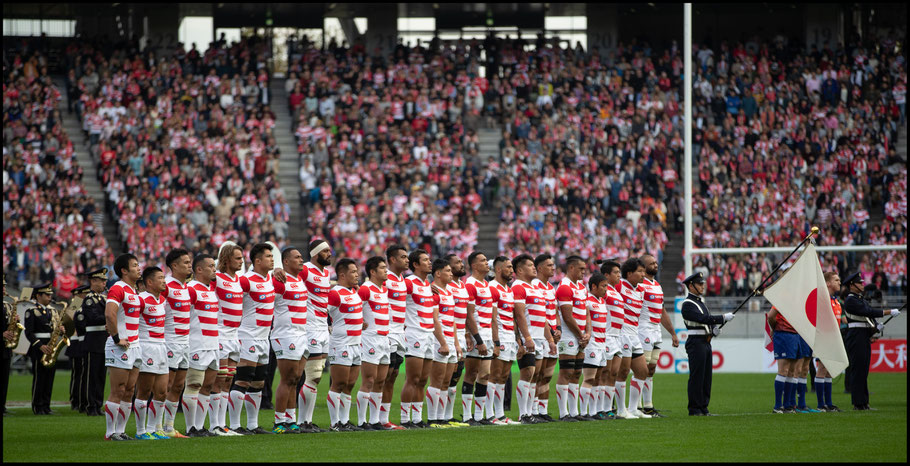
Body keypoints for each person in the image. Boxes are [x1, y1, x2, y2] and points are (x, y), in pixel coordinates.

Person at [231, 243, 278, 435]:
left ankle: (252, 425)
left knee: (259, 383)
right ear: (257, 261)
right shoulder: (245, 280)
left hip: (263, 338)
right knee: (243, 380)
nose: (272, 259)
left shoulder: (270, 279)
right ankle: (234, 425)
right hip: (248, 336)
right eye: (268, 256)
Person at [841, 272, 901, 410]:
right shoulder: (851, 300)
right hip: (856, 336)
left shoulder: (859, 298)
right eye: (860, 283)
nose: (863, 285)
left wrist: (874, 329)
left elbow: (866, 316)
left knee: (863, 370)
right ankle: (858, 403)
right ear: (852, 285)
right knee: (857, 370)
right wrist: (888, 311)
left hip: (862, 334)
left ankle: (864, 402)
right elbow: (867, 311)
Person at [680, 272, 734, 416]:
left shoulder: (700, 302)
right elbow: (703, 318)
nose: (703, 286)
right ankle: (694, 408)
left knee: (706, 377)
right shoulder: (687, 304)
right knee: (697, 376)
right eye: (699, 284)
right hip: (695, 342)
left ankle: (703, 407)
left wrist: (712, 331)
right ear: (691, 286)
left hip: (704, 341)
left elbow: (705, 321)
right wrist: (722, 318)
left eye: (703, 283)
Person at [102, 253, 143, 440]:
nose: (139, 267)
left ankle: (121, 431)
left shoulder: (133, 291)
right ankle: (110, 433)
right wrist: (117, 337)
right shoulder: (118, 288)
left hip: (135, 345)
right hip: (120, 346)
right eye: (134, 265)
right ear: (124, 270)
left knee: (129, 390)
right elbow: (109, 314)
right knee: (118, 389)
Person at [357, 256, 401, 430]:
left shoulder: (384, 290)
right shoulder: (366, 289)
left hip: (385, 339)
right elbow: (352, 306)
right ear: (373, 272)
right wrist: (359, 321)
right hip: (370, 339)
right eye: (383, 268)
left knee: (381, 381)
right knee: (368, 380)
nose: (386, 271)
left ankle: (375, 421)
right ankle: (362, 421)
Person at [295, 239, 333, 432]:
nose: (329, 253)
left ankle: (307, 421)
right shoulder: (306, 269)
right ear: (316, 254)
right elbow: (288, 277)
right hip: (309, 327)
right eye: (326, 251)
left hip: (322, 327)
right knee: (313, 375)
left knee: (316, 378)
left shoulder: (326, 273)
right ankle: (302, 421)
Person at [270, 247, 309, 434]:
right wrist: (274, 270)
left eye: (301, 256)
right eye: (297, 257)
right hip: (285, 335)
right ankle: (278, 422)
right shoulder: (279, 281)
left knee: (296, 379)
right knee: (287, 378)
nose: (301, 260)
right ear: (285, 262)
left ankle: (291, 420)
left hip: (301, 335)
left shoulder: (300, 280)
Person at [510, 254, 551, 424]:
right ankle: (523, 414)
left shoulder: (535, 287)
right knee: (527, 373)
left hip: (539, 337)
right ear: (519, 270)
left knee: (535, 376)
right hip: (529, 337)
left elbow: (543, 317)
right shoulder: (518, 287)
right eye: (530, 265)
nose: (534, 268)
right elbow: (518, 314)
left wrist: (550, 339)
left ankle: (531, 412)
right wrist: (525, 338)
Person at [185, 254, 222, 436]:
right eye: (211, 266)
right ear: (199, 269)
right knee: (194, 384)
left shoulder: (211, 290)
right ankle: (190, 427)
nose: (214, 269)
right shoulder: (191, 289)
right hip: (197, 344)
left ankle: (200, 427)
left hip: (213, 344)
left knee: (208, 386)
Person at [399, 249, 437, 429]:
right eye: (425, 260)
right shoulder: (409, 283)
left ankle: (417, 418)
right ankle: (405, 418)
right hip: (414, 333)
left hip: (429, 335)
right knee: (412, 378)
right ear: (415, 265)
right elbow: (392, 297)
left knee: (423, 380)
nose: (430, 263)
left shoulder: (427, 284)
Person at [134, 267, 173, 439]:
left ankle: (153, 428)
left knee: (162, 391)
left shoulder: (162, 299)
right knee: (144, 391)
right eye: (160, 278)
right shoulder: (141, 299)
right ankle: (141, 431)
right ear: (149, 282)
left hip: (162, 347)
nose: (164, 281)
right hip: (147, 347)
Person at [637, 254, 679, 417]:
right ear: (643, 266)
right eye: (652, 263)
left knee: (652, 368)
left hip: (656, 330)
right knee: (642, 368)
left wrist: (673, 333)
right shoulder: (641, 285)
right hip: (644, 329)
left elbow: (662, 312)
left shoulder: (657, 285)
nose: (655, 265)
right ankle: (638, 406)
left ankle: (648, 405)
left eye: (656, 262)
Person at [326, 258, 364, 432]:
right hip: (341, 344)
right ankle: (335, 423)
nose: (357, 275)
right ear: (342, 274)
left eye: (357, 271)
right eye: (353, 272)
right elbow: (323, 312)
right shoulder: (335, 293)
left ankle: (345, 420)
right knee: (338, 383)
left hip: (357, 343)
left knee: (349, 385)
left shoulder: (354, 292)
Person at [462, 252, 499, 426]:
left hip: (487, 335)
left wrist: (493, 340)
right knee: (471, 374)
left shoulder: (487, 285)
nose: (487, 263)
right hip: (477, 336)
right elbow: (468, 315)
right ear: (475, 266)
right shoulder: (470, 284)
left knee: (485, 374)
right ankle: (467, 416)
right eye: (483, 261)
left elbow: (492, 317)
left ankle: (479, 416)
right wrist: (477, 339)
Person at [426, 259, 464, 428]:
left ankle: (442, 419)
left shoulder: (448, 292)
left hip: (450, 339)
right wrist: (443, 342)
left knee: (447, 381)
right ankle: (432, 419)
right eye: (448, 271)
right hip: (438, 340)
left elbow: (453, 321)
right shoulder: (433, 292)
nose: (451, 273)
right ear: (438, 273)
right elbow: (434, 319)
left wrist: (456, 344)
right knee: (437, 380)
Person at [614, 258, 653, 419]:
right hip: (622, 334)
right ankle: (621, 410)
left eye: (644, 271)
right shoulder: (619, 285)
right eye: (640, 271)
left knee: (642, 371)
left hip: (634, 334)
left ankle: (633, 408)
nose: (644, 274)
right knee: (622, 372)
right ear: (629, 273)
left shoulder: (641, 290)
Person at [213, 242, 246, 435]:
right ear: (226, 260)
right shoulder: (216, 278)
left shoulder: (239, 280)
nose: (241, 261)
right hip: (220, 333)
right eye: (238, 258)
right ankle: (215, 425)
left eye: (242, 258)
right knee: (219, 380)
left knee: (228, 381)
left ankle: (222, 424)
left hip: (235, 335)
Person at [161, 249, 193, 438]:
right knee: (165, 386)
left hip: (185, 342)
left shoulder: (185, 287)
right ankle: (155, 426)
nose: (189, 265)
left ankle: (169, 426)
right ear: (174, 266)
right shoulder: (166, 286)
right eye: (185, 263)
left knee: (179, 386)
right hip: (170, 342)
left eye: (190, 262)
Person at [554, 256, 589, 422]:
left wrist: (587, 333)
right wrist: (581, 335)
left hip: (580, 335)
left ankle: (574, 412)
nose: (584, 272)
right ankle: (563, 413)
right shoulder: (564, 287)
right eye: (581, 269)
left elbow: (586, 312)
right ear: (572, 268)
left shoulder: (582, 287)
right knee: (566, 372)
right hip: (569, 335)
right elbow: (567, 317)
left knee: (576, 372)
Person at [379, 245, 409, 429]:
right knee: (383, 376)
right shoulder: (385, 279)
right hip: (387, 332)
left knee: (394, 375)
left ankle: (384, 419)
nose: (407, 260)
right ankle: (374, 419)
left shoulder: (403, 280)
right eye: (403, 257)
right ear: (392, 260)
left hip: (400, 333)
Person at [488, 256, 520, 425]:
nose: (511, 271)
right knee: (494, 375)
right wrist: (496, 342)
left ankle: (500, 414)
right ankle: (489, 414)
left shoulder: (508, 290)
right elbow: (492, 318)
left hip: (510, 337)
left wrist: (517, 339)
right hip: (499, 336)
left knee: (504, 376)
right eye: (508, 267)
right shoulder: (492, 287)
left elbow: (512, 317)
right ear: (499, 269)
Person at [768, 304, 814, 413]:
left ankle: (787, 404)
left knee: (791, 371)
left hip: (796, 335)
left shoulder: (796, 299)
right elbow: (771, 316)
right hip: (784, 334)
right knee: (783, 370)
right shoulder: (782, 298)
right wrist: (776, 327)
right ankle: (778, 406)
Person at [24, 283, 62, 415]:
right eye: (46, 294)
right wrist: (40, 345)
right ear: (38, 296)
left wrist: (61, 330)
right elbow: (29, 333)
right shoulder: (31, 310)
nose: (50, 297)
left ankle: (46, 405)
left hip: (51, 346)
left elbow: (56, 328)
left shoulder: (53, 311)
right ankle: (37, 405)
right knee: (39, 377)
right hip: (39, 348)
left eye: (50, 294)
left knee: (49, 378)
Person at [532, 254, 560, 422]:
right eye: (549, 265)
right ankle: (534, 410)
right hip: (540, 335)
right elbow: (538, 314)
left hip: (552, 335)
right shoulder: (535, 285)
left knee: (547, 375)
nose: (553, 268)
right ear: (540, 268)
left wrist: (558, 329)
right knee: (537, 374)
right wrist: (550, 333)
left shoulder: (550, 287)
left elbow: (554, 312)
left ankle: (543, 411)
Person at [443, 254, 470, 426]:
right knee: (445, 376)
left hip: (461, 334)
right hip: (448, 335)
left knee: (456, 376)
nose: (461, 264)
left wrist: (466, 333)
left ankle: (449, 415)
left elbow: (464, 313)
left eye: (461, 262)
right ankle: (439, 416)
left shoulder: (463, 286)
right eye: (457, 263)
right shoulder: (445, 287)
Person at [580, 274, 610, 420]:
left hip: (602, 344)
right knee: (589, 378)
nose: (606, 289)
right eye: (603, 286)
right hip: (591, 346)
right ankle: (584, 412)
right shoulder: (587, 301)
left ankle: (595, 411)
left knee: (599, 379)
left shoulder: (602, 301)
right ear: (593, 286)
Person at [82, 267, 110, 417]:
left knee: (100, 375)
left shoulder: (103, 298)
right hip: (93, 341)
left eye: (105, 280)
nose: (105, 283)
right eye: (102, 280)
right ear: (93, 281)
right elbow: (93, 317)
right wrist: (109, 316)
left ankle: (98, 404)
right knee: (91, 375)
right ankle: (90, 405)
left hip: (103, 341)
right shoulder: (89, 299)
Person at [815, 272, 844, 412]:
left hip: (834, 339)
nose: (839, 282)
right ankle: (821, 405)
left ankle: (828, 403)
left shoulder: (835, 301)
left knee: (828, 371)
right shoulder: (823, 300)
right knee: (822, 369)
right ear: (828, 283)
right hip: (824, 338)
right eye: (836, 280)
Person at [599, 260, 625, 418]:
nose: (619, 275)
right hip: (607, 336)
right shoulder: (605, 291)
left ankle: (608, 408)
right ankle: (600, 408)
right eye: (616, 272)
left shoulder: (616, 291)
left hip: (618, 337)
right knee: (605, 372)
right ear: (606, 275)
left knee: (614, 373)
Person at [68, 284, 90, 413]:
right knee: (78, 374)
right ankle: (75, 399)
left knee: (83, 373)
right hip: (76, 341)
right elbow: (70, 320)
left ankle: (82, 399)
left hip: (85, 340)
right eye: (84, 293)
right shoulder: (76, 303)